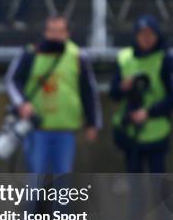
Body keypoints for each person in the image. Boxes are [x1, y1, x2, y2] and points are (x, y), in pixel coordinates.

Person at [6, 16, 101, 174]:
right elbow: (12, 80)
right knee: (34, 176)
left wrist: (92, 123)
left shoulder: (78, 56)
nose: (56, 35)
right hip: (36, 127)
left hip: (65, 128)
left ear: (68, 33)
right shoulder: (31, 52)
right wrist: (22, 103)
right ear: (45, 32)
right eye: (52, 31)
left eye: (60, 31)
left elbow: (88, 91)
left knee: (62, 176)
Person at [110, 15, 173, 173]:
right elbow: (114, 93)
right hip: (131, 130)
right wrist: (123, 86)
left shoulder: (166, 60)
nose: (146, 38)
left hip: (157, 130)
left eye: (150, 34)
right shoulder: (125, 57)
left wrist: (149, 112)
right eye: (142, 34)